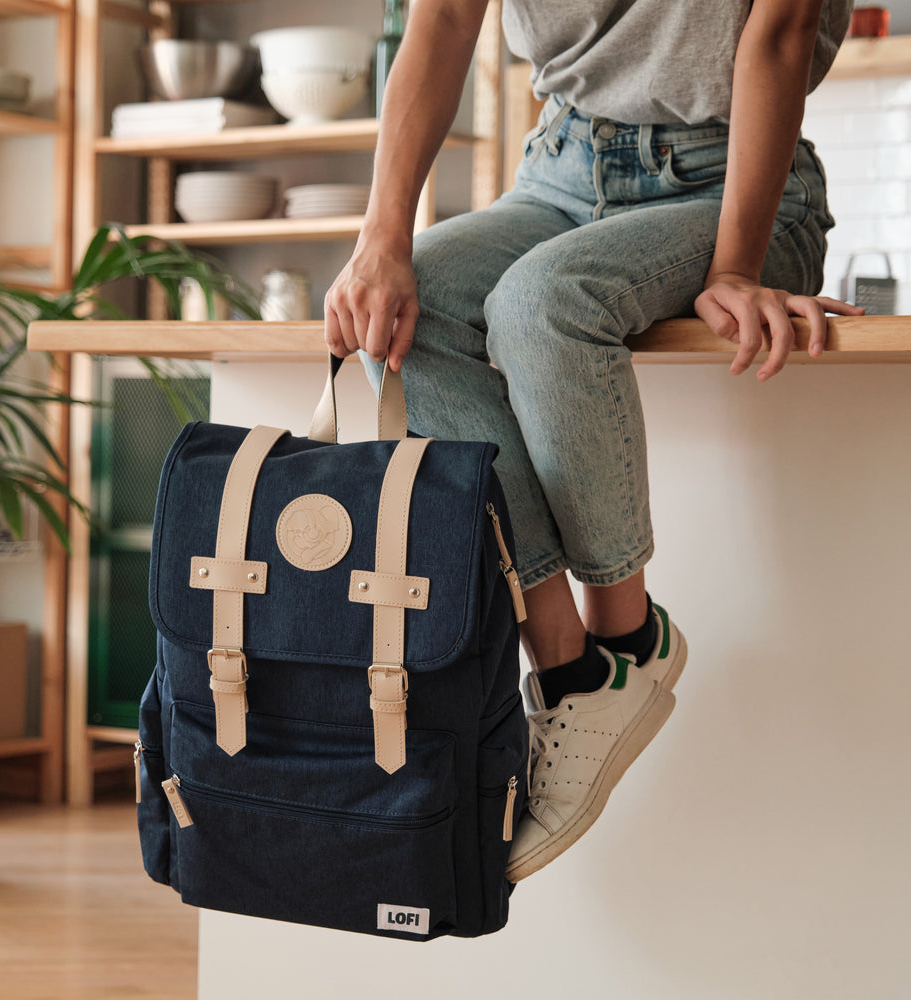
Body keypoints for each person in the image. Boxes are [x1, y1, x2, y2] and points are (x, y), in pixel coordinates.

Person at [324, 0, 862, 882]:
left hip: (734, 180)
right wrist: (381, 237)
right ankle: (572, 672)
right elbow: (448, 17)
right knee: (405, 317)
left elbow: (781, 29)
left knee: (542, 305)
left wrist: (734, 267)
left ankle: (631, 639)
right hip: (559, 173)